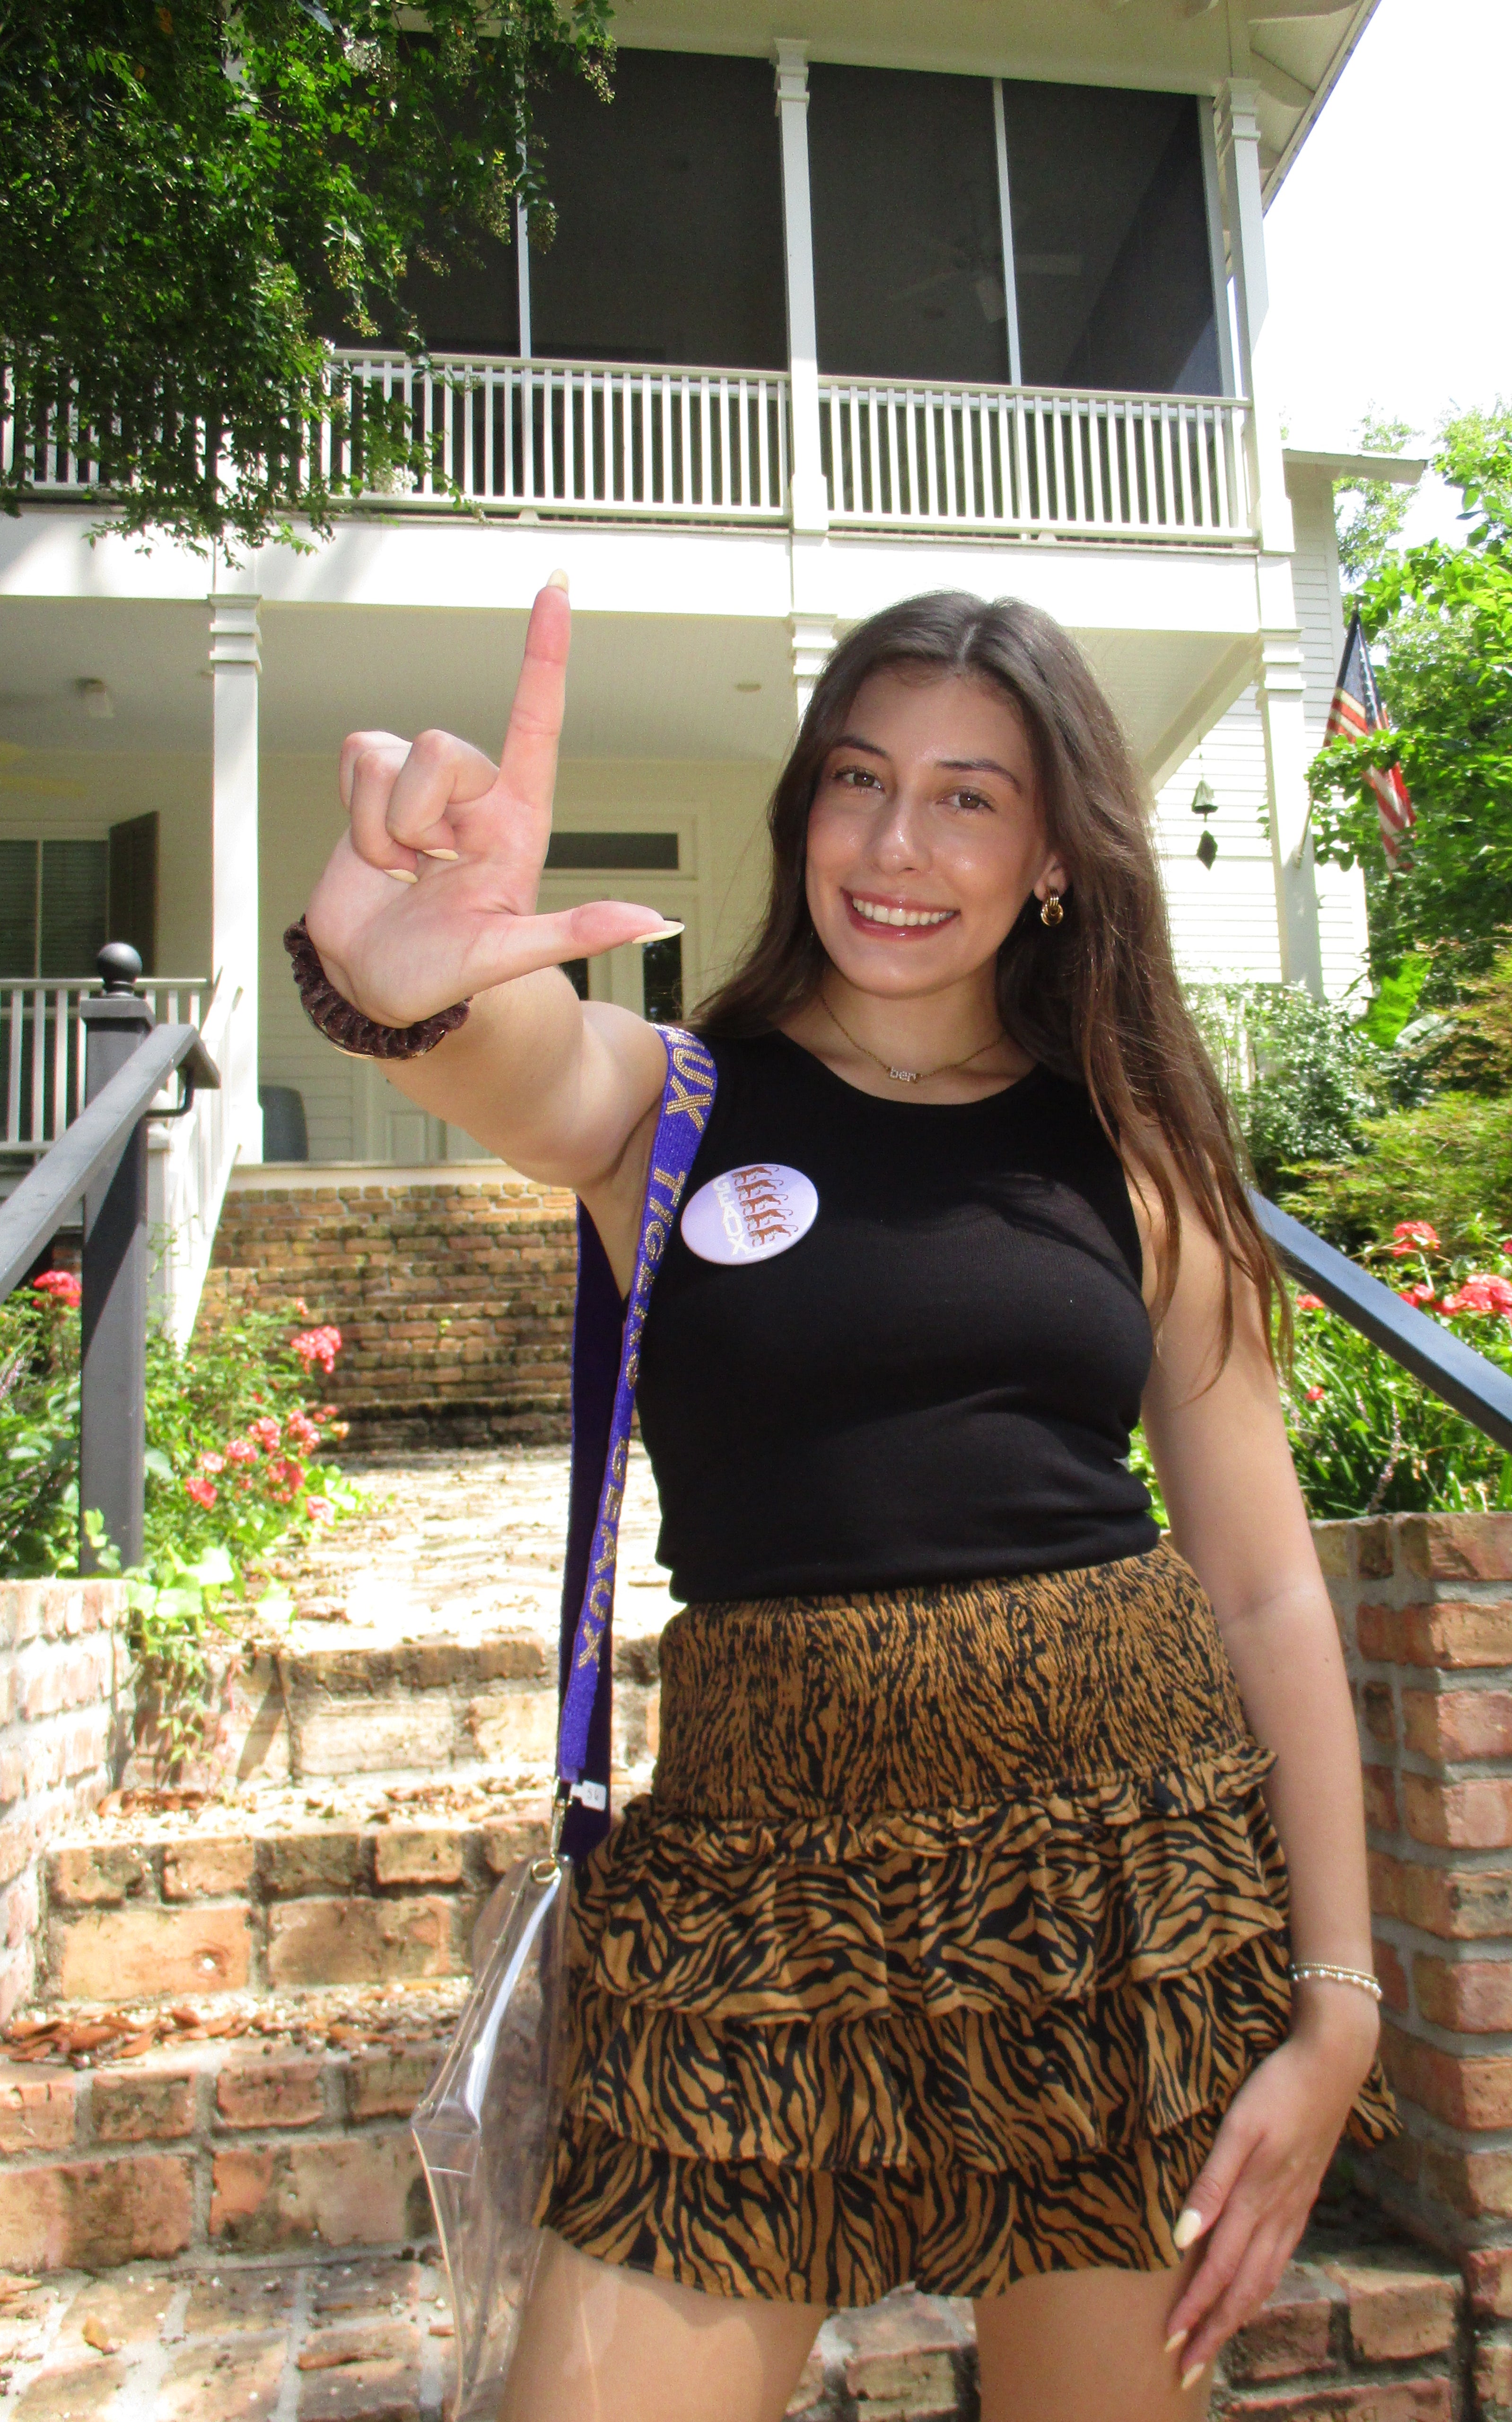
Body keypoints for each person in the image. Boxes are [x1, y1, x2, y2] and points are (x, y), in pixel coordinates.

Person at [297, 580, 1392, 2422]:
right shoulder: (668, 1102)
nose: (896, 844)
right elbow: (520, 1055)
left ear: (1055, 854)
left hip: (1110, 1895)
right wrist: (409, 983)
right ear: (805, 805)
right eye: (860, 780)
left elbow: (1268, 1589)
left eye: (970, 797)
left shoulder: (1132, 1146)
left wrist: (1338, 2000)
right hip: (753, 1893)